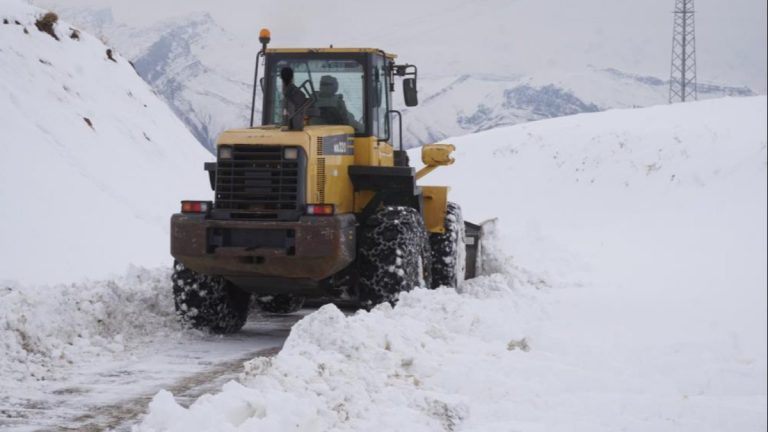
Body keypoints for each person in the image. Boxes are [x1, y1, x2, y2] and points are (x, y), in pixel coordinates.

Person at [280, 67, 308, 131]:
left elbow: (297, 121)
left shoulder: (294, 95)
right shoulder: (290, 94)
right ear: (292, 78)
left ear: (281, 78)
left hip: (295, 132)